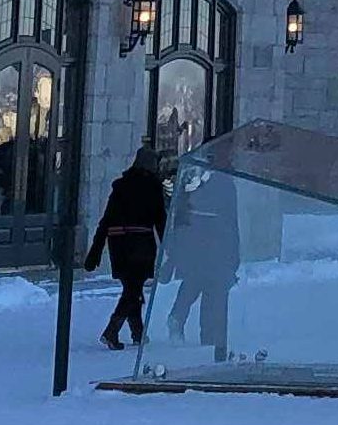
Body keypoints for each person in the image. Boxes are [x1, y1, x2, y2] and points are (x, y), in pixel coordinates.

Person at [87, 149, 170, 350]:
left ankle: (138, 332)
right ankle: (112, 330)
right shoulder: (152, 187)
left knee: (132, 286)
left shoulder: (120, 186)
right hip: (140, 242)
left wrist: (95, 251)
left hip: (117, 244)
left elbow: (106, 221)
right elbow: (160, 220)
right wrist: (168, 246)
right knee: (133, 289)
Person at [164, 169, 242, 362]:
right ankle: (208, 334)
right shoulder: (224, 183)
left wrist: (176, 246)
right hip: (216, 240)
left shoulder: (192, 179)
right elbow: (231, 221)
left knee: (195, 279)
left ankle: (179, 316)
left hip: (194, 239)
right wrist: (233, 256)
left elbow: (180, 215)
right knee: (211, 286)